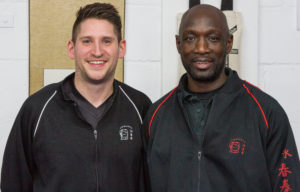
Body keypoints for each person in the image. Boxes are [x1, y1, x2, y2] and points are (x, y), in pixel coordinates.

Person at [142, 4, 300, 192]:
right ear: (178, 44)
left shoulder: (266, 113)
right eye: (191, 38)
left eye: (213, 38)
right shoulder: (156, 116)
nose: (201, 48)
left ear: (229, 43)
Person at [1, 3, 151, 192]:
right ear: (72, 48)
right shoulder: (36, 110)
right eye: (87, 41)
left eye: (106, 41)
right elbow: (13, 183)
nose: (97, 51)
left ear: (121, 48)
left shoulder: (141, 108)